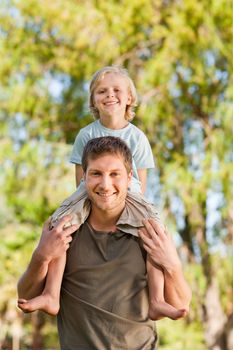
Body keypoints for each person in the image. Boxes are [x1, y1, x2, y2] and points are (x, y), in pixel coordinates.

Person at [18, 66, 186, 321]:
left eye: (117, 90)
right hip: (86, 194)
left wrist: (138, 214)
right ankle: (51, 295)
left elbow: (140, 184)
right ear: (93, 99)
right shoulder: (86, 134)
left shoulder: (138, 138)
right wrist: (76, 212)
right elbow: (81, 180)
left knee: (155, 234)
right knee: (60, 228)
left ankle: (157, 300)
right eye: (102, 91)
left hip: (130, 198)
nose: (110, 95)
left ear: (129, 97)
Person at [17, 137, 192, 349]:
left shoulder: (150, 234)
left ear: (129, 178)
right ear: (84, 178)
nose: (105, 184)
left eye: (114, 174)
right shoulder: (64, 233)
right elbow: (26, 296)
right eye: (96, 173)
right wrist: (41, 256)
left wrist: (172, 265)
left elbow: (180, 305)